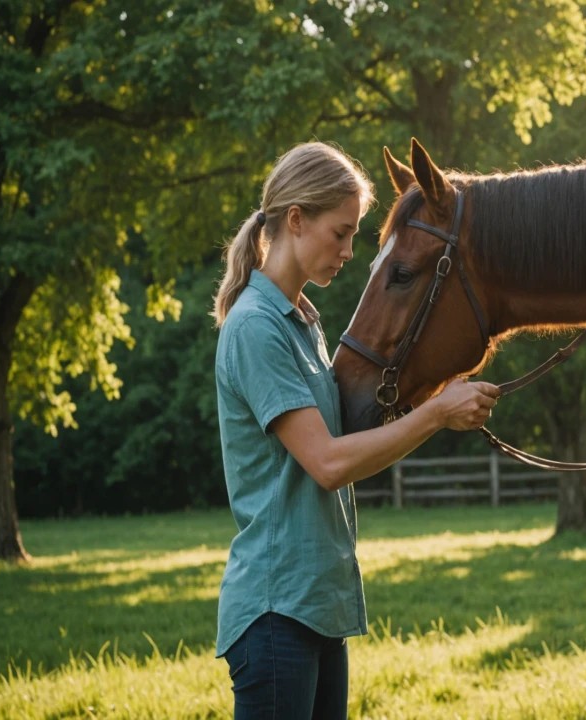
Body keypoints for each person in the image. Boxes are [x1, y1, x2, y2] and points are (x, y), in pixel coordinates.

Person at [211, 141, 499, 718]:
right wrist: (436, 415)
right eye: (340, 233)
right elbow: (329, 463)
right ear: (296, 220)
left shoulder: (305, 324)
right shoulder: (255, 327)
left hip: (319, 605)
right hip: (275, 612)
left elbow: (352, 447)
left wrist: (441, 394)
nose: (348, 251)